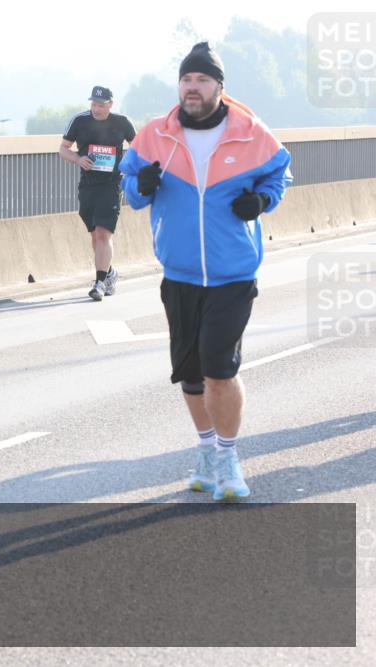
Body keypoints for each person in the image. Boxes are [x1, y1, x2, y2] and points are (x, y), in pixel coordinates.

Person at [119, 42, 292, 501]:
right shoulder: (154, 135)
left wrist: (261, 202)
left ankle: (229, 456)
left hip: (232, 272)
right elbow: (130, 193)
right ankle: (206, 449)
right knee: (191, 374)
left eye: (201, 80)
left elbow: (279, 177)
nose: (192, 88)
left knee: (219, 367)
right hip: (178, 274)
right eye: (186, 80)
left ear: (219, 87)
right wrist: (141, 185)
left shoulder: (252, 132)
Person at [59, 85, 136, 301]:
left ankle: (100, 282)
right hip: (88, 185)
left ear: (110, 105)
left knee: (104, 233)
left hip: (111, 185)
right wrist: (78, 159)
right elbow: (63, 149)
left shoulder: (122, 122)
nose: (96, 109)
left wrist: (128, 167)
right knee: (95, 234)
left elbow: (138, 147)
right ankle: (110, 272)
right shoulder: (79, 121)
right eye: (93, 104)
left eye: (101, 105)